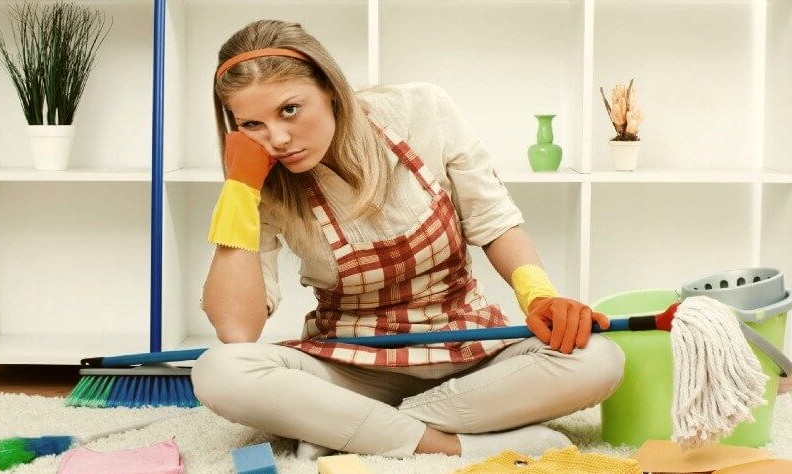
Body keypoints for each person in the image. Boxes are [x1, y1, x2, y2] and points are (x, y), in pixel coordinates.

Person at [191, 19, 625, 459]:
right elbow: (237, 330)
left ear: (330, 88)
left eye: (289, 110)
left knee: (599, 360)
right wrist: (240, 190)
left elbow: (494, 223)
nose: (278, 139)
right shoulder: (261, 179)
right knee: (218, 371)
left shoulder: (422, 110)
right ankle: (450, 446)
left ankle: (348, 427)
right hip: (350, 362)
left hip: (467, 348)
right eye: (252, 124)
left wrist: (540, 297)